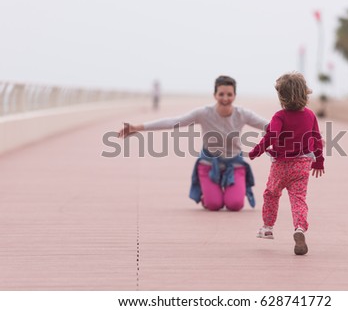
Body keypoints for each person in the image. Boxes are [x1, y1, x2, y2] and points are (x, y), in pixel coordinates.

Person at [118, 75, 268, 211]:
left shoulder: (243, 114)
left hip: (234, 164)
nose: (225, 98)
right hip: (209, 165)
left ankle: (233, 191)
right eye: (221, 94)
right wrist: (137, 127)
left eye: (229, 94)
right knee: (214, 205)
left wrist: (289, 126)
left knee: (235, 205)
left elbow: (268, 126)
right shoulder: (203, 113)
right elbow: (173, 122)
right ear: (214, 95)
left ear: (235, 95)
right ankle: (207, 193)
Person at [248, 72, 325, 255]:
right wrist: (319, 161)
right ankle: (299, 228)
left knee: (271, 194)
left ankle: (267, 227)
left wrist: (256, 151)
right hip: (303, 164)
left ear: (281, 96)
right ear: (305, 93)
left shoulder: (279, 116)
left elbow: (272, 136)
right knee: (298, 199)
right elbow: (316, 138)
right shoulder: (310, 115)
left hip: (281, 166)